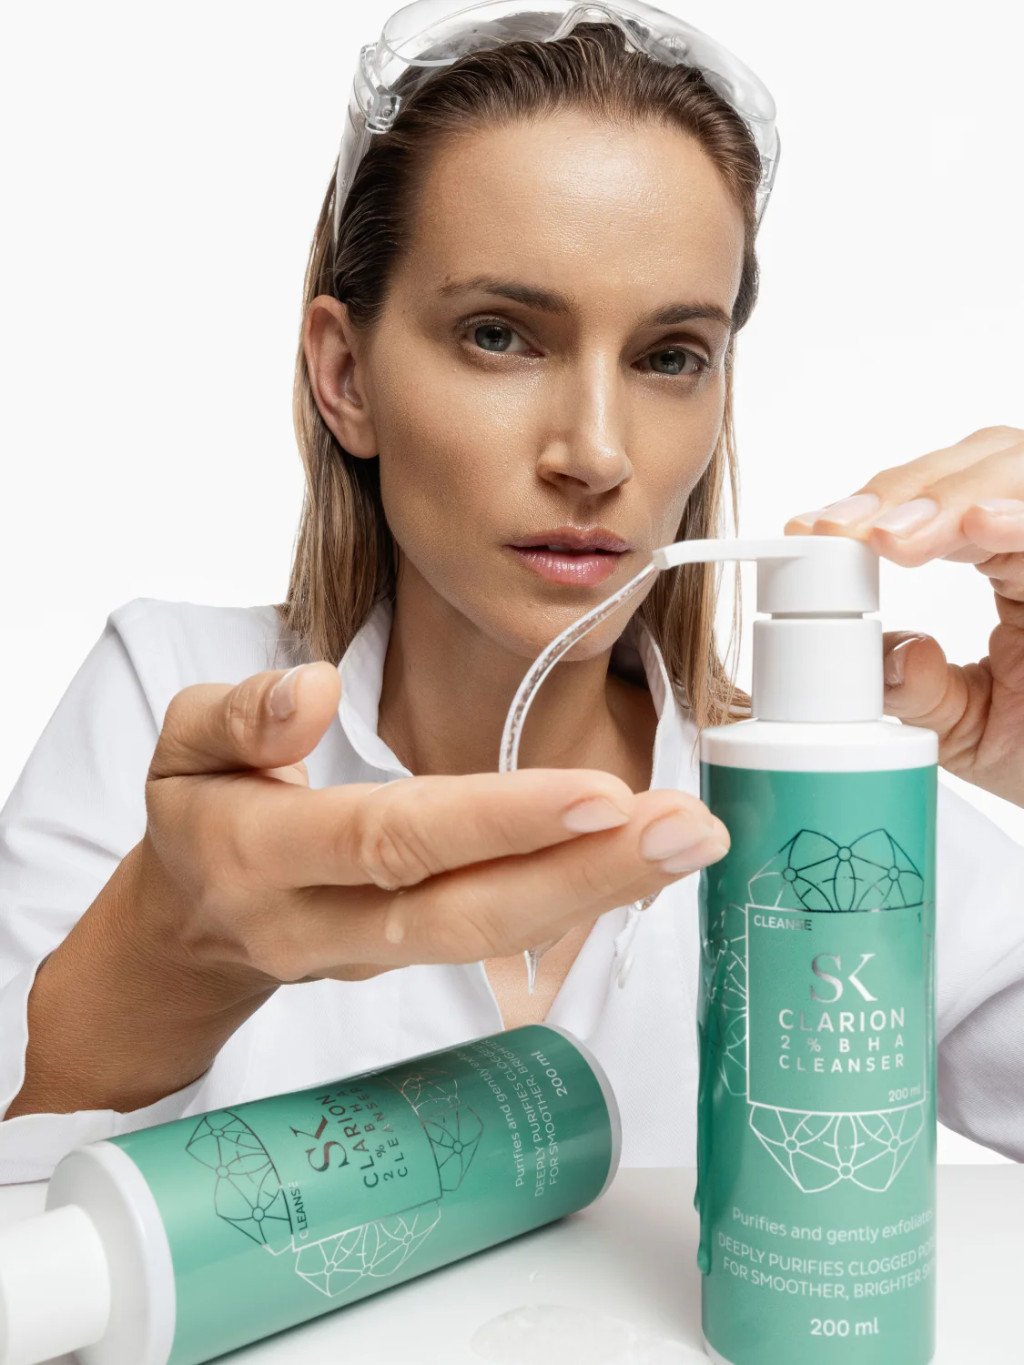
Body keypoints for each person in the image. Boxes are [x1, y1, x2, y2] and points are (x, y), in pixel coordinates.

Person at [2, 3, 1023, 1185]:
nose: (596, 452)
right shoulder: (166, 702)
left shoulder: (848, 826)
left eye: (669, 357)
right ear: (346, 375)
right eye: (500, 335)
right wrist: (164, 960)